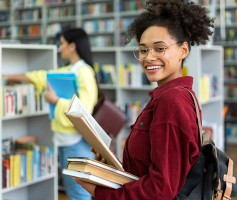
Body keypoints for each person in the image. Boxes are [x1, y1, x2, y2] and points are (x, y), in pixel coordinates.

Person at [75, 0, 214, 199]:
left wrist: (100, 192)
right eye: (143, 50)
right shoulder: (171, 96)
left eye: (159, 48)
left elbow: (160, 190)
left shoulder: (172, 102)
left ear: (183, 50)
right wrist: (111, 168)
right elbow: (151, 170)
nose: (148, 57)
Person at [3, 28, 97, 200]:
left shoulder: (84, 72)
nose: (59, 48)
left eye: (62, 43)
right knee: (73, 192)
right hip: (63, 141)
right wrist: (8, 76)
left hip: (76, 143)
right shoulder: (69, 69)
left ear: (72, 46)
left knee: (79, 194)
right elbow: (42, 76)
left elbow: (84, 110)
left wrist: (56, 101)